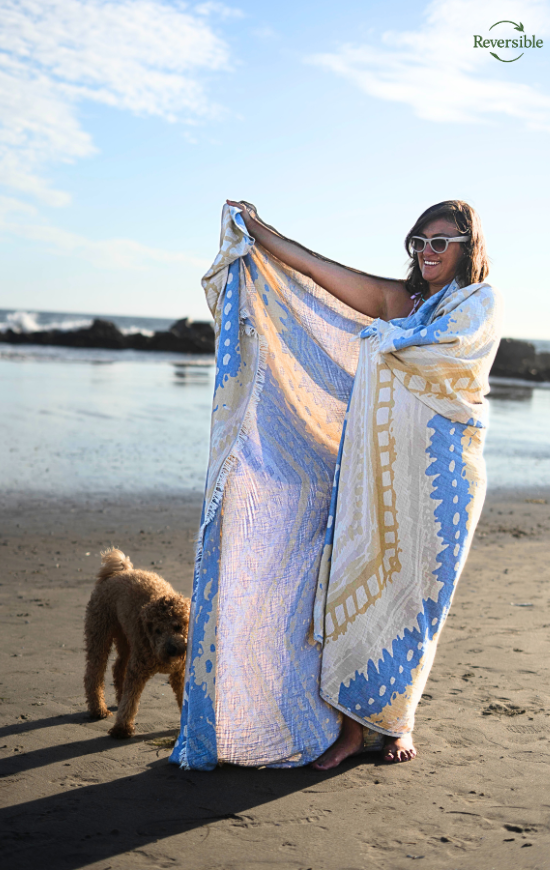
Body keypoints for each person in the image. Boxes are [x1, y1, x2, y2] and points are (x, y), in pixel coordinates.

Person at [169, 199, 501, 772]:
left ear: (467, 247)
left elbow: (444, 360)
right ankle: (350, 731)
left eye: (440, 243)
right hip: (376, 475)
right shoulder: (402, 303)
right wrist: (261, 234)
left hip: (442, 478)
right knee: (355, 586)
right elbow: (318, 271)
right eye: (419, 242)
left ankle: (397, 721)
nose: (427, 253)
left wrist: (384, 342)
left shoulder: (478, 303)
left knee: (415, 602)